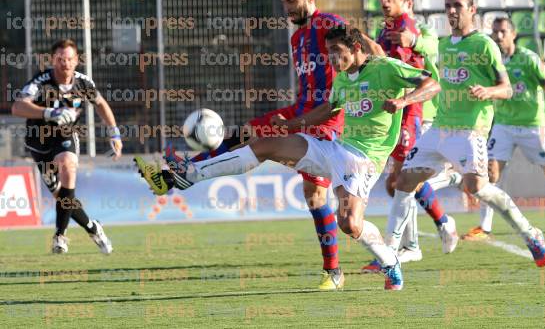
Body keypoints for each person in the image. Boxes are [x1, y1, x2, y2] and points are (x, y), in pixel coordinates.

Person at [135, 26, 441, 290]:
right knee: (267, 144)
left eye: (337, 51)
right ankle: (188, 174)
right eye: (329, 52)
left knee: (349, 224)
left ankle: (390, 261)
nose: (332, 58)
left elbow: (431, 84)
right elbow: (329, 110)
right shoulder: (343, 79)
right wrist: (292, 126)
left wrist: (403, 100)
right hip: (335, 149)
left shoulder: (385, 68)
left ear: (356, 47)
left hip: (363, 161)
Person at [141, 0, 347, 290]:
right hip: (299, 109)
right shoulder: (296, 39)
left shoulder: (328, 24)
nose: (287, 9)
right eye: (284, 3)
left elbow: (357, 47)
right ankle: (180, 171)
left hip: (325, 120)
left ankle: (334, 271)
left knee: (317, 196)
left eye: (291, 1)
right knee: (248, 132)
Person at [393, 0, 545, 268]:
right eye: (448, 5)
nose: (452, 10)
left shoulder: (484, 45)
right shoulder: (444, 45)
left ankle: (530, 233)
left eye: (458, 5)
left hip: (470, 130)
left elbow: (507, 88)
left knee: (476, 186)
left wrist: (489, 92)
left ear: (472, 10)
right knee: (403, 181)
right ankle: (396, 253)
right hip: (440, 127)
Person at [462, 17, 545, 240]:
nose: (499, 36)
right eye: (495, 32)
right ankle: (484, 227)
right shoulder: (492, 61)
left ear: (513, 34)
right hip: (503, 125)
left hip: (533, 126)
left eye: (503, 31)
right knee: (490, 174)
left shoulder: (529, 59)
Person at [361, 0, 459, 273]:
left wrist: (413, 40)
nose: (384, 1)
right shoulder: (384, 31)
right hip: (394, 113)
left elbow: (432, 47)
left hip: (419, 113)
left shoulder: (415, 28)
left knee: (407, 178)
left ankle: (413, 242)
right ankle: (426, 232)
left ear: (407, 0)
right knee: (397, 184)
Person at [12, 39, 120, 254]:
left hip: (66, 137)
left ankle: (60, 236)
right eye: (61, 59)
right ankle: (92, 227)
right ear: (53, 60)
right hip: (39, 142)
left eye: (70, 59)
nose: (66, 63)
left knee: (68, 166)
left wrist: (114, 132)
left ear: (77, 60)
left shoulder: (83, 83)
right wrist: (48, 113)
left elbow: (100, 104)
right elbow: (18, 107)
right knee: (63, 197)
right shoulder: (42, 82)